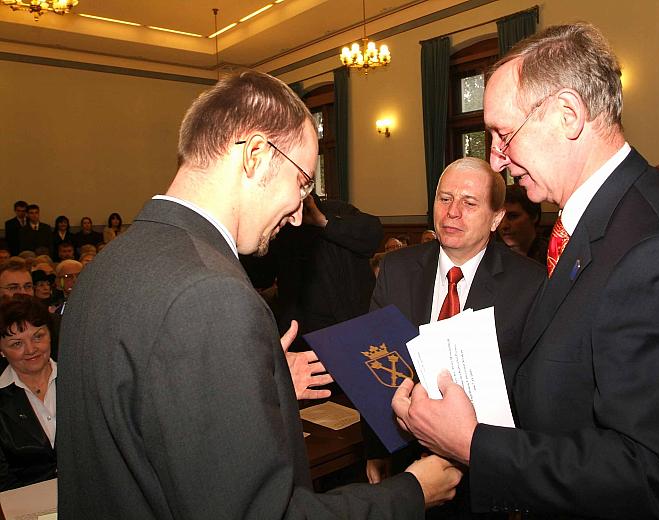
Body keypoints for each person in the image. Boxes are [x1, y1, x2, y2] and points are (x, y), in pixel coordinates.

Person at [57, 71, 461, 519]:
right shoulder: (213, 295)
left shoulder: (110, 265)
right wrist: (410, 492)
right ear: (255, 155)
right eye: (302, 182)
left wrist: (255, 385)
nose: (295, 214)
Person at [392, 22, 659, 519]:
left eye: (503, 133)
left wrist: (474, 444)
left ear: (567, 115)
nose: (496, 160)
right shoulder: (602, 218)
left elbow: (657, 478)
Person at [365, 157, 545, 518]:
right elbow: (376, 365)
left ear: (496, 218)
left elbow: (534, 393)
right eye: (444, 199)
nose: (452, 213)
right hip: (406, 465)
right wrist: (379, 447)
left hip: (485, 479)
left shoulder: (532, 284)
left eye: (469, 202)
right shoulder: (397, 269)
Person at [259, 193, 384, 348]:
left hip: (353, 324)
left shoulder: (338, 210)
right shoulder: (280, 227)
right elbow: (262, 276)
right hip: (303, 335)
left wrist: (323, 221)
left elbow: (373, 234)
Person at [0, 295, 57, 491]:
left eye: (38, 336)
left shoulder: (81, 381)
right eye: (17, 344)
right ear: (1, 350)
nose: (31, 349)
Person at [496, 184, 546, 264]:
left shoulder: (552, 257)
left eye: (513, 216)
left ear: (533, 216)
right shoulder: (491, 257)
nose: (504, 225)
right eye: (499, 218)